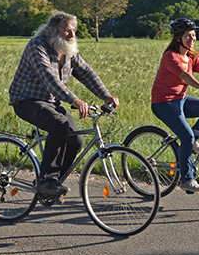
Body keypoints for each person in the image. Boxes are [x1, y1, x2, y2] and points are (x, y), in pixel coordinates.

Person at [9, 11, 119, 196]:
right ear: (52, 30)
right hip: (27, 100)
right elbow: (48, 78)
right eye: (67, 30)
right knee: (60, 125)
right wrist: (73, 100)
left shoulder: (68, 51)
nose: (72, 35)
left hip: (52, 101)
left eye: (74, 30)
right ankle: (47, 181)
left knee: (76, 140)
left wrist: (106, 96)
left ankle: (51, 185)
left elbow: (86, 73)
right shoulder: (37, 46)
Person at [150, 18, 199, 193]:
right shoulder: (170, 56)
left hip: (180, 99)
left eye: (194, 35)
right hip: (164, 102)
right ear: (178, 38)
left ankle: (191, 143)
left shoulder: (191, 56)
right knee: (186, 136)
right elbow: (185, 76)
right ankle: (187, 179)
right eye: (188, 36)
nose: (192, 39)